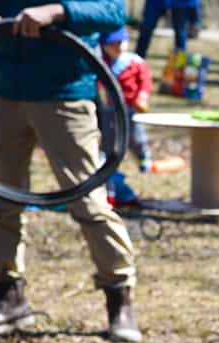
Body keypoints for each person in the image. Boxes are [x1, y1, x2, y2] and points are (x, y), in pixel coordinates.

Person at [0, 0, 142, 343]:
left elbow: (112, 11)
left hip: (65, 94)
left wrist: (56, 11)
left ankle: (119, 298)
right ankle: (7, 300)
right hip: (3, 89)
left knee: (89, 203)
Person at [98, 26, 153, 207]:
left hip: (130, 110)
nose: (119, 47)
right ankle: (107, 162)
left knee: (136, 136)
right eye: (113, 44)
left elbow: (145, 81)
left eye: (121, 43)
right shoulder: (102, 63)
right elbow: (96, 82)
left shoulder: (134, 62)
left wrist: (142, 96)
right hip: (110, 111)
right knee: (108, 139)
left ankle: (143, 156)